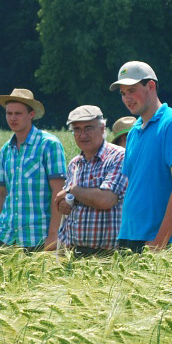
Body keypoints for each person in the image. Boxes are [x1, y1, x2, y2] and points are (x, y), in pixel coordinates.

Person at [111, 60, 172, 252]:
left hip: (166, 241)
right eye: (123, 93)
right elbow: (135, 186)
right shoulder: (134, 131)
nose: (127, 98)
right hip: (131, 236)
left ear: (151, 86)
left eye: (132, 90)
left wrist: (161, 240)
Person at [0, 88, 66, 251]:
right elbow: (1, 193)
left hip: (38, 237)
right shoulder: (6, 150)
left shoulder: (49, 144)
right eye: (9, 113)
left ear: (31, 114)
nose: (12, 118)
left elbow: (58, 192)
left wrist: (53, 234)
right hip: (7, 237)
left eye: (18, 113)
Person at [55, 106, 128, 255]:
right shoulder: (75, 164)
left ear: (102, 128)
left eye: (88, 128)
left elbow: (106, 200)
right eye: (77, 129)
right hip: (73, 252)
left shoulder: (119, 157)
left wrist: (72, 190)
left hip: (107, 256)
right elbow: (66, 202)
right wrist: (64, 204)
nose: (82, 135)